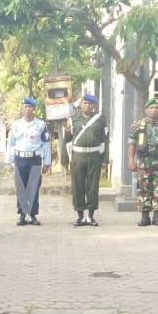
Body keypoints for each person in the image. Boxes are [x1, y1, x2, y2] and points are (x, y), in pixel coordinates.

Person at [127, 96, 158, 226]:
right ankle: (145, 216)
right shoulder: (138, 125)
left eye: (157, 108)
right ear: (146, 110)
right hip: (144, 164)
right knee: (144, 190)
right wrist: (131, 161)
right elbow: (131, 144)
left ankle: (157, 217)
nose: (154, 110)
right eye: (151, 108)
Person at [5, 96, 51, 226]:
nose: (28, 109)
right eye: (25, 106)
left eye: (30, 106)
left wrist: (46, 162)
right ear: (22, 108)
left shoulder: (41, 125)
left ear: (34, 108)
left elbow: (46, 144)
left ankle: (32, 214)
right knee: (21, 188)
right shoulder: (16, 125)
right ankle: (22, 214)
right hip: (20, 159)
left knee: (33, 187)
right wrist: (9, 161)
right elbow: (11, 143)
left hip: (34, 159)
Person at [65, 93, 108, 226]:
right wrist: (65, 160)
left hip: (94, 156)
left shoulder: (100, 119)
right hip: (78, 156)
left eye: (89, 104)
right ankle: (80, 215)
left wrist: (105, 160)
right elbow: (67, 141)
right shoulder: (73, 120)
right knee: (78, 186)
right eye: (85, 103)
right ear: (81, 104)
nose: (87, 105)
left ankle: (90, 215)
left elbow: (104, 140)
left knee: (93, 186)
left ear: (93, 105)